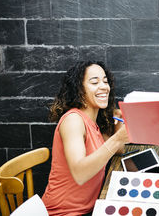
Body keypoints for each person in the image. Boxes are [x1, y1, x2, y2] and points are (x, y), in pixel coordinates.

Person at [42, 61, 129, 216]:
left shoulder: (94, 121)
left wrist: (119, 120)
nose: (103, 86)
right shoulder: (73, 120)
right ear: (79, 90)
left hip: (89, 209)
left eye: (105, 81)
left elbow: (118, 149)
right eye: (94, 82)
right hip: (64, 212)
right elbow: (80, 174)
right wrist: (118, 138)